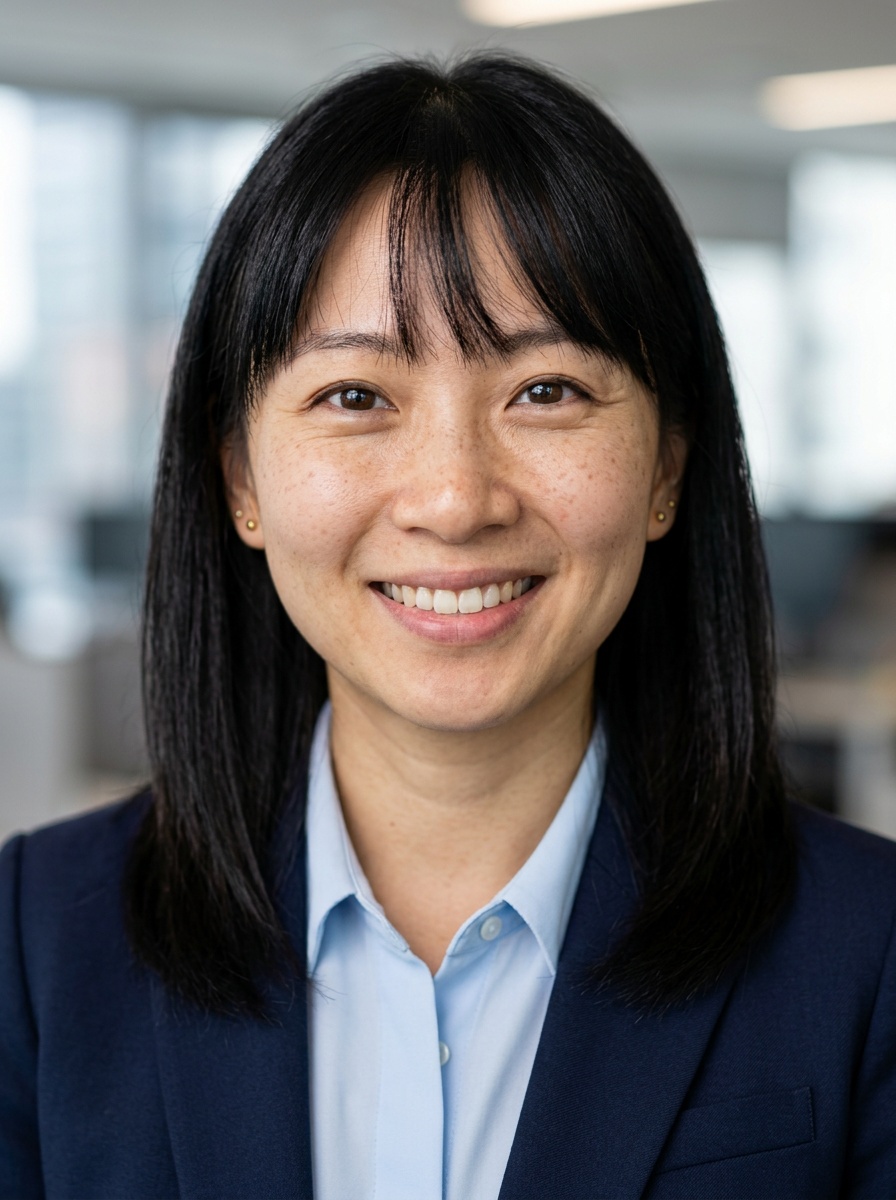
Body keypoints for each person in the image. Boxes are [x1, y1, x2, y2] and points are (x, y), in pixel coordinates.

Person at [1, 53, 894, 1200]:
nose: (455, 499)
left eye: (546, 392)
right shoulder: (38, 944)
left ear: (667, 463)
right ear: (240, 480)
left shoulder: (864, 952)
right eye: (355, 397)